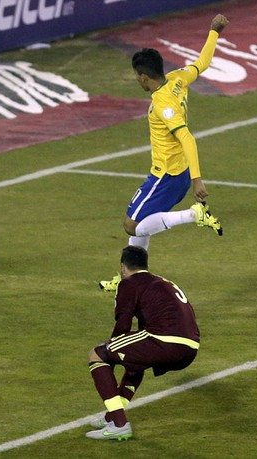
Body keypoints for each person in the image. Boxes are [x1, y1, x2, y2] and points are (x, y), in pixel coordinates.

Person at [100, 14, 229, 292]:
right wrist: (214, 32)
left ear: (145, 77)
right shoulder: (178, 78)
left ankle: (194, 215)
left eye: (138, 77)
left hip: (167, 175)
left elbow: (186, 137)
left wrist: (198, 180)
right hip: (174, 172)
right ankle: (128, 278)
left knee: (131, 225)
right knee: (142, 223)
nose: (138, 80)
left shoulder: (163, 103)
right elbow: (202, 63)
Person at [86, 246, 200, 440]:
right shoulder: (163, 281)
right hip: (190, 345)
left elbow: (123, 324)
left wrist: (110, 353)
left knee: (96, 354)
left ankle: (120, 424)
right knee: (135, 364)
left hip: (165, 340)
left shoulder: (128, 283)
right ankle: (112, 416)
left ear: (123, 267)